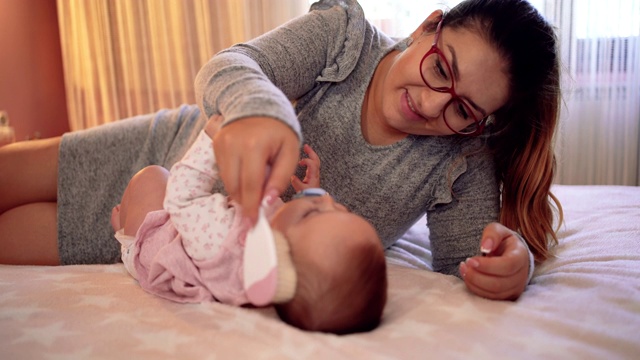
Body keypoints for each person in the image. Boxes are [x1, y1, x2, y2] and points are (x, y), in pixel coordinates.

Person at [0, 0, 563, 301]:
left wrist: (512, 263)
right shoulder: (345, 36)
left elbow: (467, 260)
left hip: (166, 228)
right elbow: (231, 65)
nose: (434, 102)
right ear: (428, 26)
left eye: (464, 110)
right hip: (164, 144)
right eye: (442, 67)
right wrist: (261, 111)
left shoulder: (460, 157)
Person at [110, 116, 387, 334]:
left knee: (154, 176)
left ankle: (128, 235)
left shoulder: (223, 244)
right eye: (341, 209)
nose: (327, 201)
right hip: (194, 231)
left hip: (158, 242)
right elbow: (303, 224)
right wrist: (308, 195)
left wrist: (210, 142)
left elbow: (181, 199)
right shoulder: (275, 261)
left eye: (313, 213)